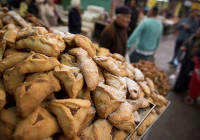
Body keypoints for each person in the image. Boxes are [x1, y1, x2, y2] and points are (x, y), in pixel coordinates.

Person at [173, 28, 200, 93]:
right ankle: (176, 88)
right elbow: (186, 43)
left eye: (199, 31)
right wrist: (184, 47)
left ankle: (183, 89)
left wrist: (197, 58)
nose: (197, 32)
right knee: (181, 73)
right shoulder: (192, 36)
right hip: (186, 58)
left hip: (193, 62)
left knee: (188, 76)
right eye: (198, 30)